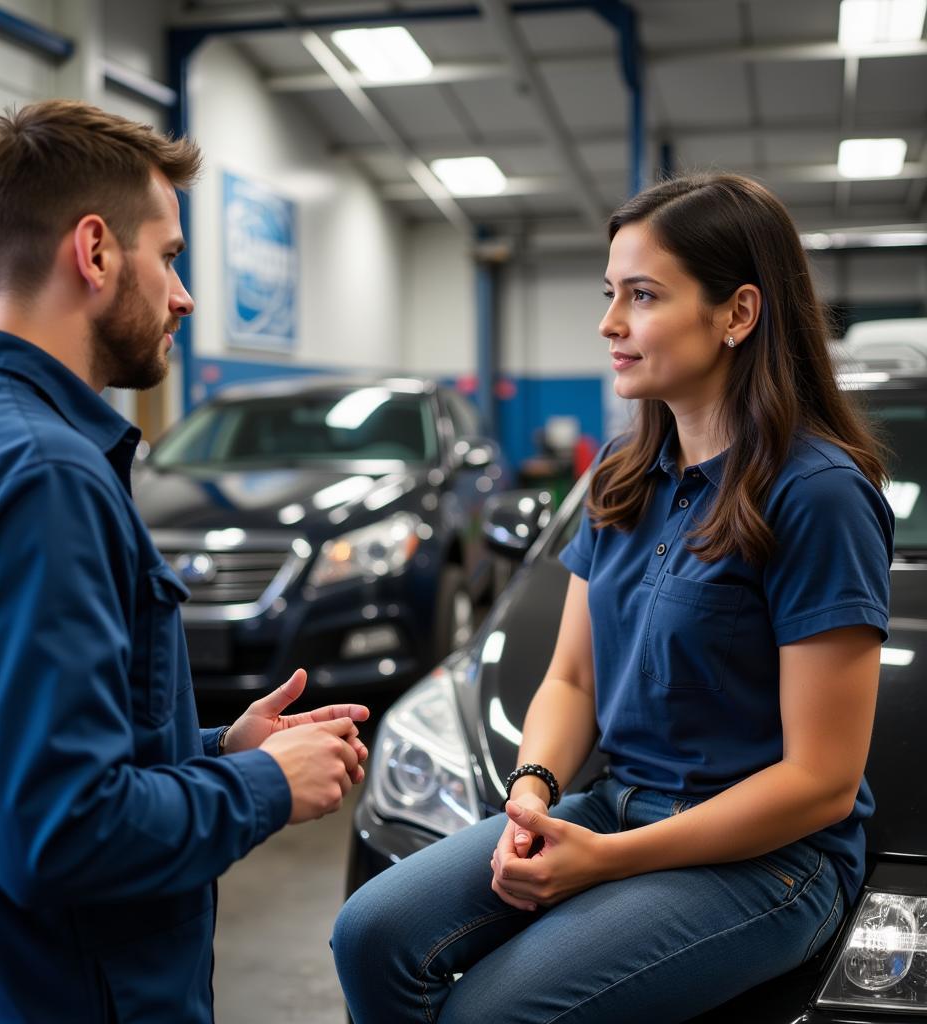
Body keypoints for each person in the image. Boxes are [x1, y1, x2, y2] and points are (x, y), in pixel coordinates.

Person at [332, 173, 894, 1023]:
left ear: (738, 314)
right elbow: (572, 682)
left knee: (489, 1014)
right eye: (610, 294)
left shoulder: (818, 495)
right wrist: (532, 791)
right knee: (370, 934)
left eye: (643, 295)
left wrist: (606, 861)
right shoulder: (622, 477)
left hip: (771, 860)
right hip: (613, 808)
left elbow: (820, 782)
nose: (609, 324)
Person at [0, 100, 369, 1024]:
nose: (185, 297)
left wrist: (208, 750)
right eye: (172, 257)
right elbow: (57, 832)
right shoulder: (41, 474)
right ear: (97, 251)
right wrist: (261, 787)